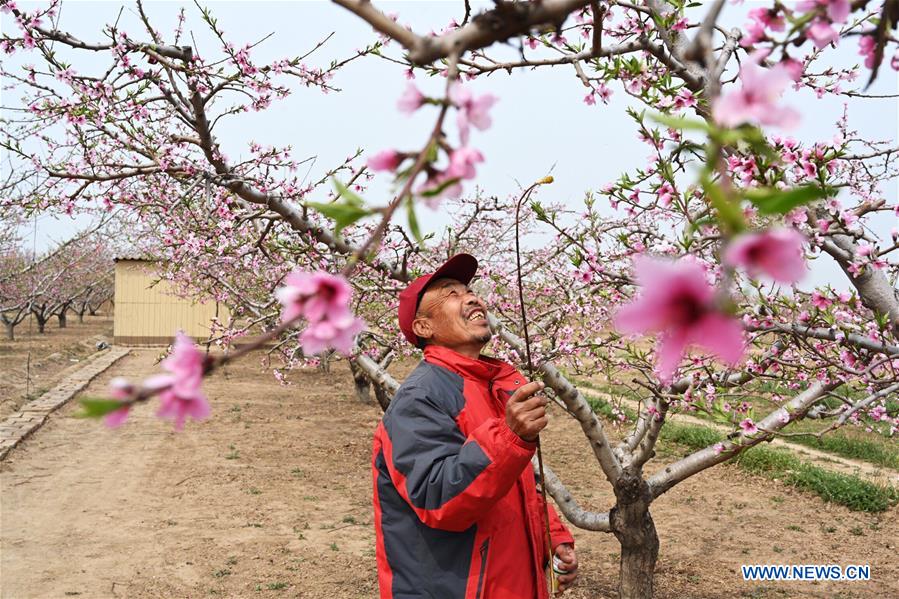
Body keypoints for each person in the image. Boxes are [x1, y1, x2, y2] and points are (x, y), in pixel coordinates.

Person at [371, 253, 579, 598]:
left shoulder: (490, 386)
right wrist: (511, 436)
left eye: (469, 290)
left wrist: (550, 534)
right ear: (424, 327)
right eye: (450, 293)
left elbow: (513, 483)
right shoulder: (420, 398)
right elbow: (438, 498)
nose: (471, 297)